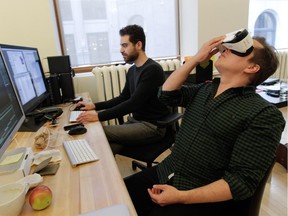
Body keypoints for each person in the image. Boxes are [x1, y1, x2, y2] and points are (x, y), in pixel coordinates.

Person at [124, 35, 286, 216]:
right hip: (167, 171)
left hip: (199, 193)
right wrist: (195, 59)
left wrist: (181, 197)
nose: (227, 49)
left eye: (239, 50)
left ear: (252, 67)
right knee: (117, 196)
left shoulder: (263, 115)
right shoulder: (205, 90)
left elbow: (241, 182)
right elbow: (166, 94)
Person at [76, 24, 169, 153]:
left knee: (98, 132)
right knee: (107, 147)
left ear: (138, 45)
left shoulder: (152, 69)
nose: (120, 50)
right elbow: (123, 98)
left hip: (152, 126)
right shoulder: (132, 71)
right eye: (121, 45)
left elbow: (133, 103)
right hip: (135, 122)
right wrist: (94, 106)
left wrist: (98, 116)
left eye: (124, 45)